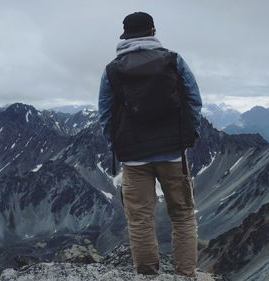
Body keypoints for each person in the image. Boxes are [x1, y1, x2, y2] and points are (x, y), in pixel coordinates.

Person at [98, 11, 202, 277]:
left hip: (133, 158)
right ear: (153, 32)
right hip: (173, 155)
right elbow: (193, 98)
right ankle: (186, 275)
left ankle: (147, 276)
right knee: (183, 215)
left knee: (140, 220)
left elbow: (105, 114)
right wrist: (189, 136)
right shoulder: (173, 61)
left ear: (125, 36)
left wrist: (118, 145)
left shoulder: (112, 69)